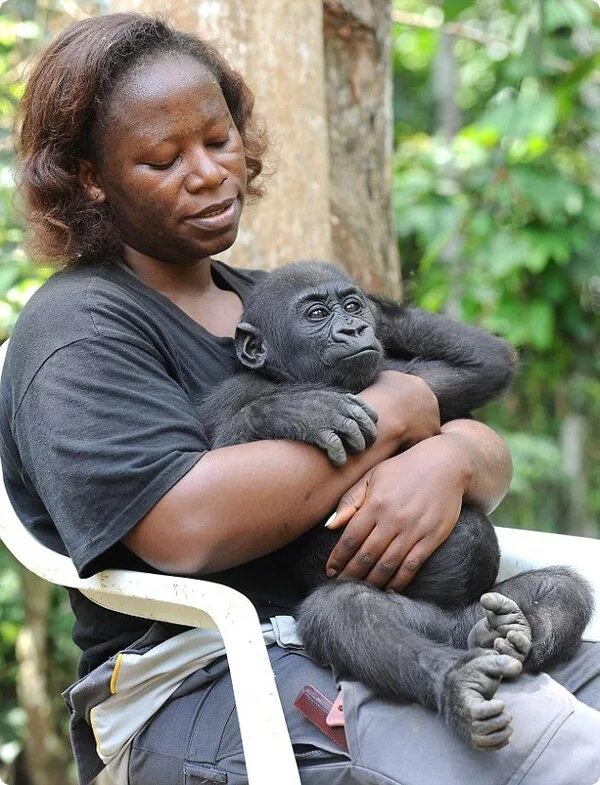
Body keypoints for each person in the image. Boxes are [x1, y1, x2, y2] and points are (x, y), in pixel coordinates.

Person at [2, 12, 599, 785]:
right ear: (91, 177)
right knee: (556, 751)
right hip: (206, 677)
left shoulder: (284, 305)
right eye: (162, 157)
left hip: (407, 625)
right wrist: (401, 413)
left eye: (218, 141)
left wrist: (447, 456)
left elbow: (484, 445)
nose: (209, 172)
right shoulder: (78, 326)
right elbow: (186, 528)